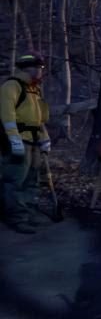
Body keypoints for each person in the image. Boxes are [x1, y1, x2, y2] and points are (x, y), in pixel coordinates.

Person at [0, 51, 51, 234]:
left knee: (32, 180)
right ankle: (16, 218)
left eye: (41, 67)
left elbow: (39, 118)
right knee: (15, 181)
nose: (41, 71)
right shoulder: (11, 86)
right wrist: (14, 139)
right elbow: (7, 115)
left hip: (34, 141)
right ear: (27, 68)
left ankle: (28, 213)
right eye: (38, 67)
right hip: (19, 140)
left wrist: (45, 138)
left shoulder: (34, 89)